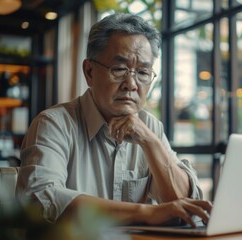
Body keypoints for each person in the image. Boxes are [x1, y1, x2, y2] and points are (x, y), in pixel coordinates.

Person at [16, 13, 212, 227]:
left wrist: (151, 142)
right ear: (89, 72)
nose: (131, 84)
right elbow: (40, 201)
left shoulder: (150, 126)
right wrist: (147, 212)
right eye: (119, 69)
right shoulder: (53, 124)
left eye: (143, 72)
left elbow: (183, 203)